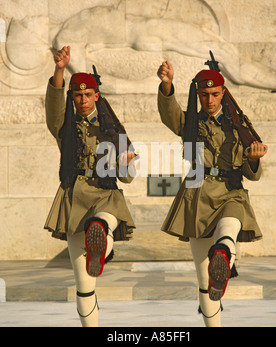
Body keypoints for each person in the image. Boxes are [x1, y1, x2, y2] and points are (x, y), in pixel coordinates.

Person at [157, 60, 268, 327]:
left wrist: (253, 159)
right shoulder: (190, 123)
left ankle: (224, 256)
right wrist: (167, 85)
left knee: (228, 230)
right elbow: (168, 114)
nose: (209, 99)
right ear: (198, 94)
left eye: (215, 94)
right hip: (197, 193)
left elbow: (252, 174)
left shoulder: (238, 125)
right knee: (205, 280)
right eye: (204, 94)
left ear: (223, 93)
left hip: (231, 192)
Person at [44, 46, 137, 327]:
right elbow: (53, 105)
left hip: (105, 195)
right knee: (84, 285)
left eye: (88, 95)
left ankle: (101, 245)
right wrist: (60, 70)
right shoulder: (64, 124)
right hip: (74, 198)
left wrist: (126, 162)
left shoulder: (112, 127)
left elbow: (128, 177)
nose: (83, 100)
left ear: (97, 95)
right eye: (77, 95)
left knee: (102, 224)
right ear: (72, 97)